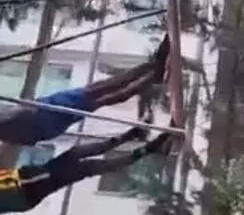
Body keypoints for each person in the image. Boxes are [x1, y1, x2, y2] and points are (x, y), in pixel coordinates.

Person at [0, 35, 170, 146]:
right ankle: (154, 70)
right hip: (44, 115)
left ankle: (153, 70)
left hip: (45, 122)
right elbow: (17, 115)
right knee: (102, 92)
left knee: (101, 93)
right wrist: (30, 108)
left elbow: (20, 126)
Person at [0, 125, 176, 215]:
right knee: (88, 167)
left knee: (76, 154)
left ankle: (130, 136)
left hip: (26, 182)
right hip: (25, 189)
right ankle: (148, 148)